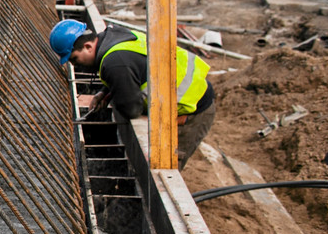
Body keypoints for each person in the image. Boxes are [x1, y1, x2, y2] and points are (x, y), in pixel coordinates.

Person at [50, 19, 216, 169]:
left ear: (87, 47)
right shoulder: (114, 37)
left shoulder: (114, 63)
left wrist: (116, 96)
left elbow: (131, 109)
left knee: (165, 166)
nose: (76, 65)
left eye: (75, 59)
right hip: (192, 91)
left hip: (192, 110)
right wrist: (105, 92)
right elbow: (133, 69)